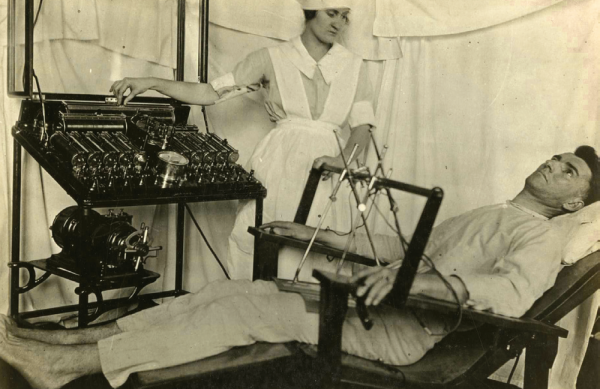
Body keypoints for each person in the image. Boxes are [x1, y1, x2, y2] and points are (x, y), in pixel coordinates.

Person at [1, 146, 598, 389]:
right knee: (234, 289)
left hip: (403, 332)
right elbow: (394, 250)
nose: (554, 165)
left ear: (575, 203)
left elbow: (509, 293)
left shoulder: (540, 237)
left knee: (258, 307)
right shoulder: (492, 211)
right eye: (556, 158)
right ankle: (74, 340)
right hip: (375, 307)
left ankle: (64, 367)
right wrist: (310, 233)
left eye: (569, 171)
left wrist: (415, 281)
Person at [109, 0, 376, 281]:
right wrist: (151, 82)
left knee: (323, 257)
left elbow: (362, 126)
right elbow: (210, 93)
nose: (339, 24)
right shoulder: (272, 58)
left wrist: (343, 160)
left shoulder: (355, 67)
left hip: (332, 172)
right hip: (280, 166)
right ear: (310, 10)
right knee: (266, 252)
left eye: (345, 16)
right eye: (332, 13)